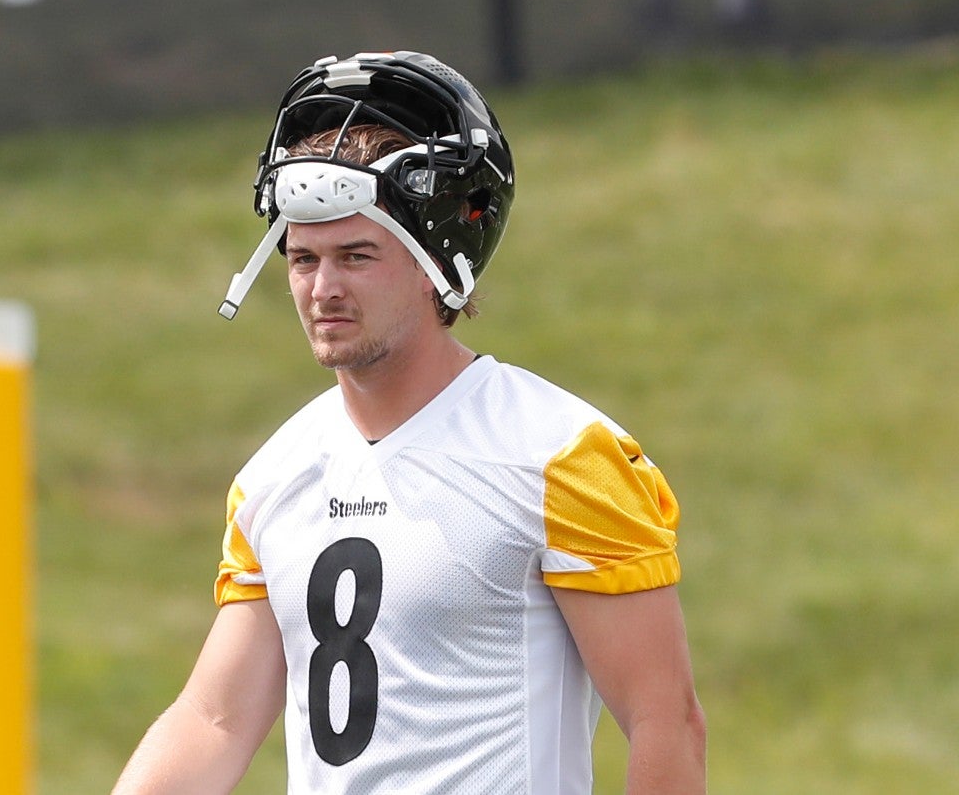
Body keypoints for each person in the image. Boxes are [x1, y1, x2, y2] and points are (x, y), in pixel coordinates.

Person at [112, 50, 706, 794]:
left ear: (438, 261)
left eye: (356, 255)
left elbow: (664, 720)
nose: (322, 289)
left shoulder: (562, 458)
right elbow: (215, 721)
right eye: (303, 259)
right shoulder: (272, 477)